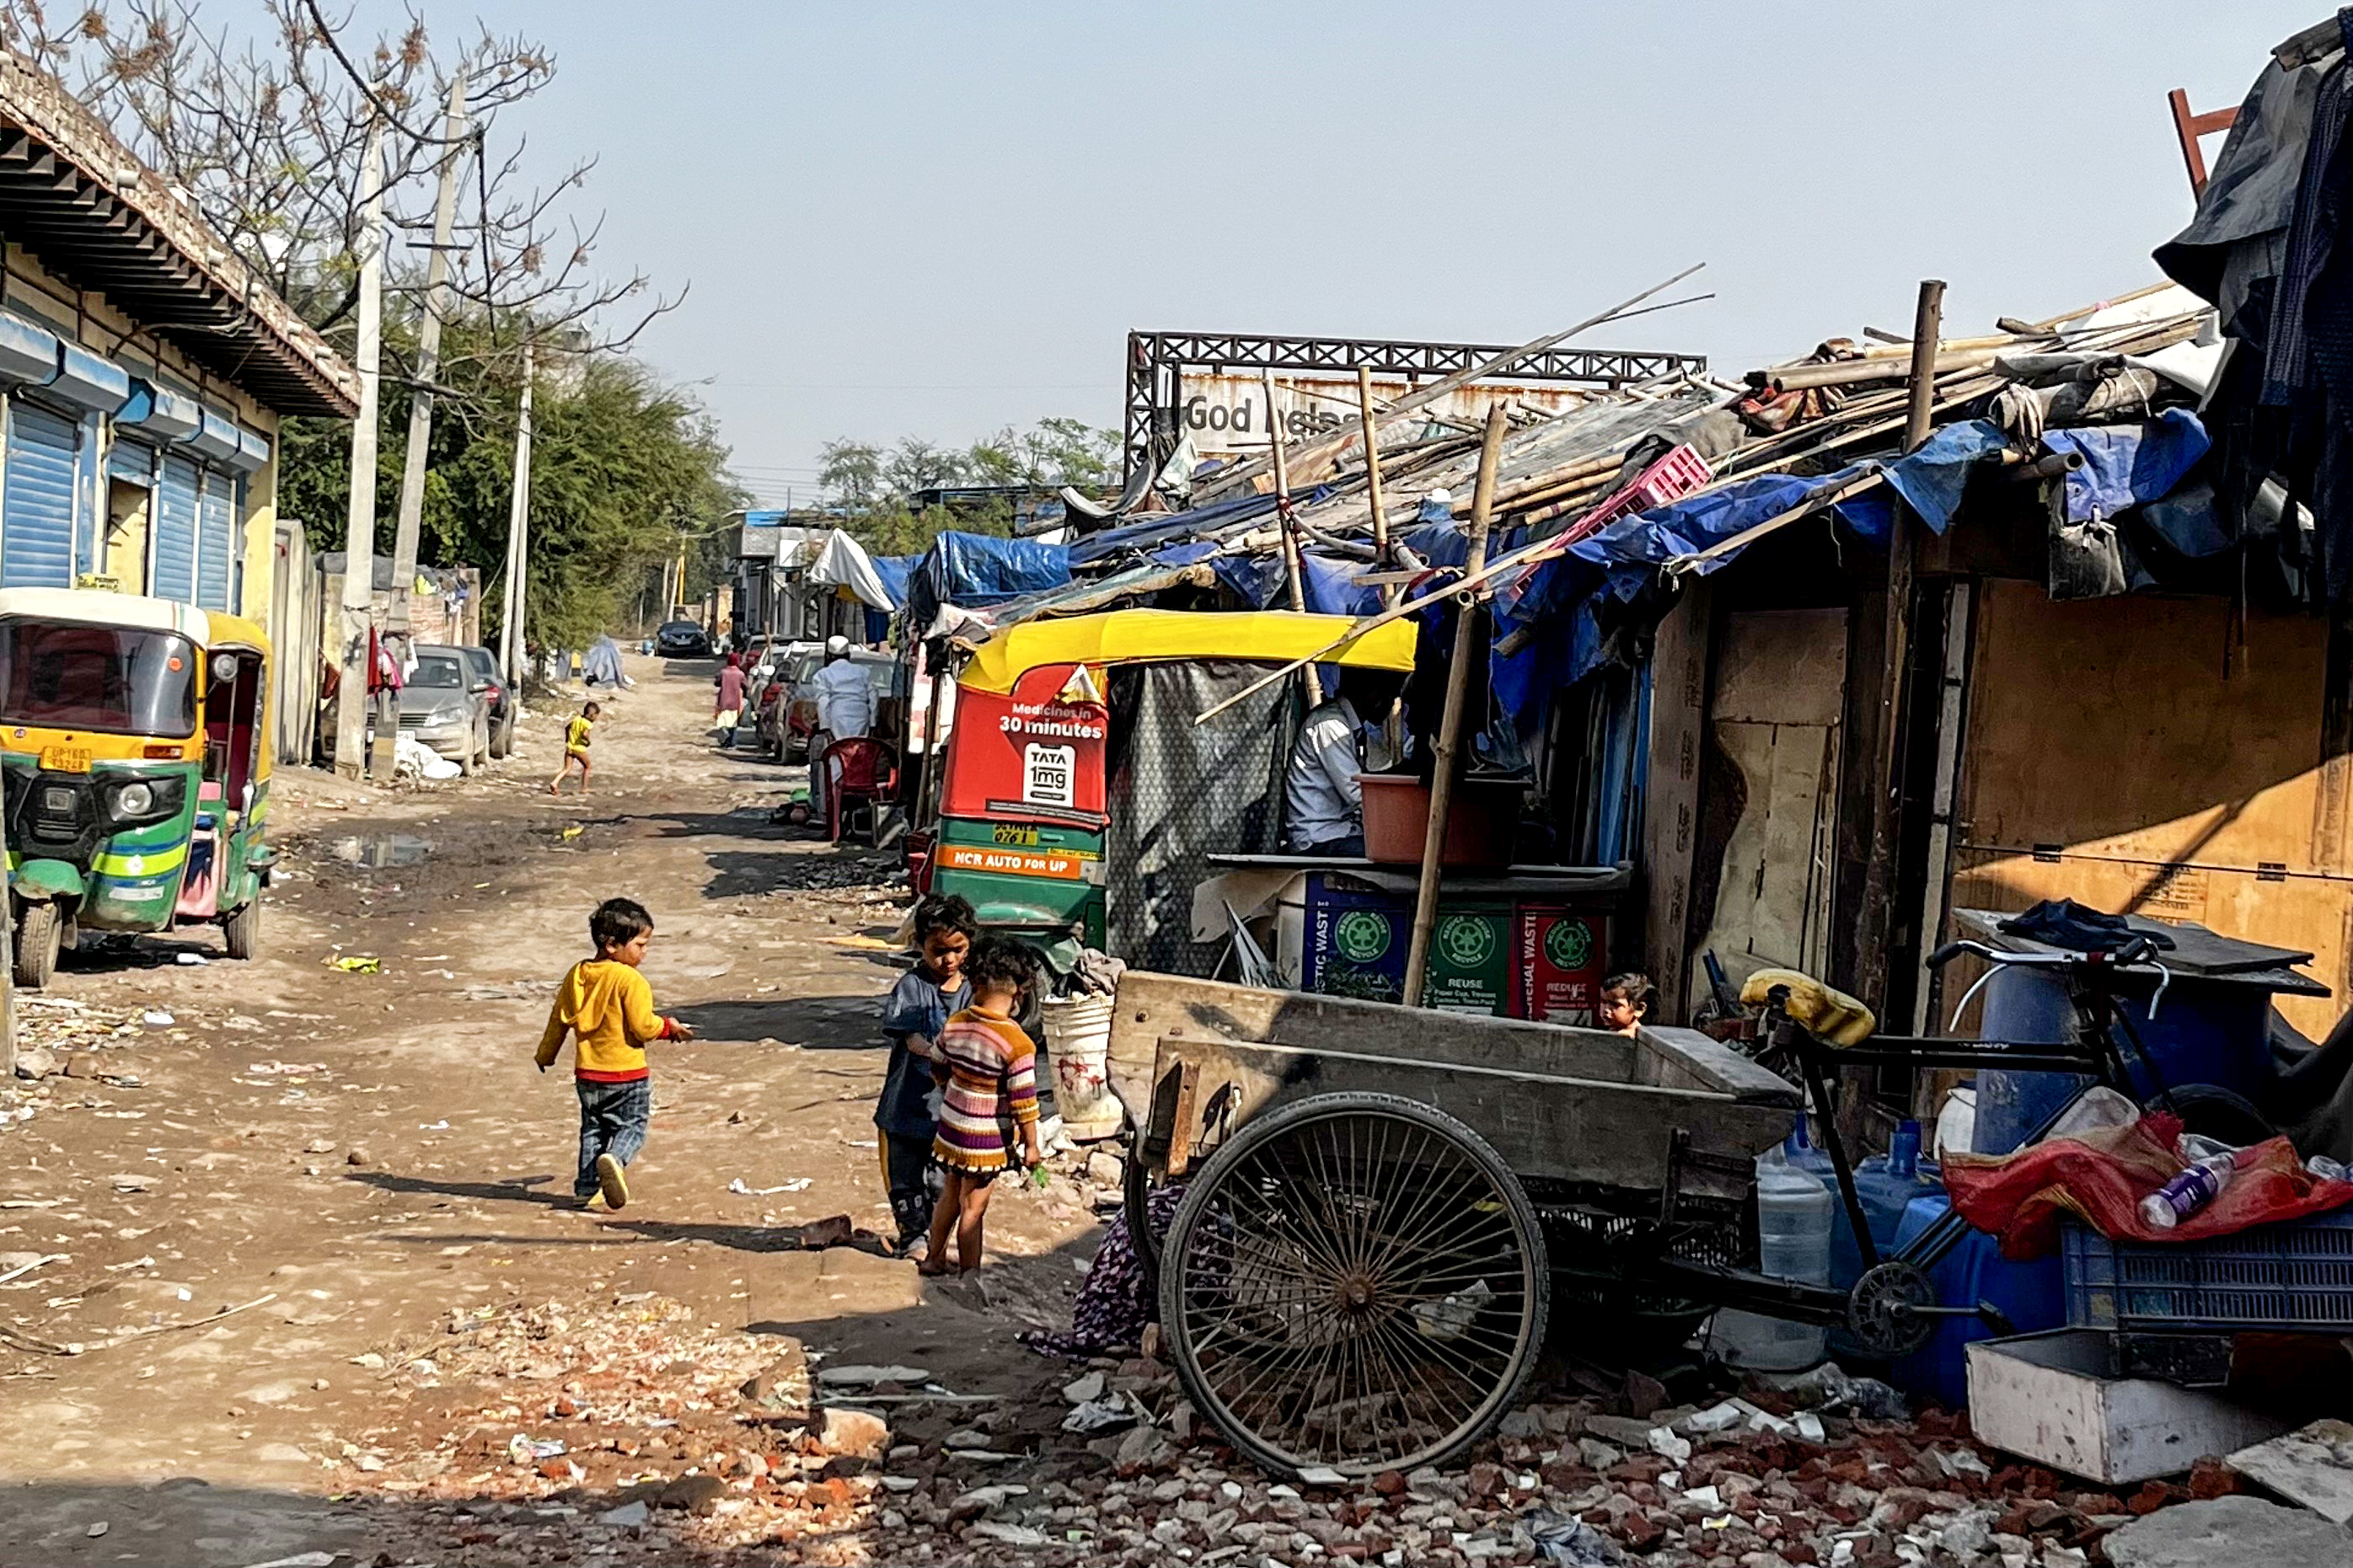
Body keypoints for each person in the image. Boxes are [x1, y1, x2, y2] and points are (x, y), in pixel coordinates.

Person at [534, 897, 694, 1209]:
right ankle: (616, 1159)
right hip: (627, 1074)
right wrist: (669, 1027)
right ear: (611, 945)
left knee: (593, 1129)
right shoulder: (630, 980)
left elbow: (559, 1019)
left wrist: (546, 1054)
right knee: (631, 1126)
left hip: (588, 1075)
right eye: (640, 944)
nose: (644, 953)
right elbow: (643, 1027)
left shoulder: (578, 975)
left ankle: (585, 1186)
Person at [920, 936, 1045, 1276]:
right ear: (1020, 992)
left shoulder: (957, 1022)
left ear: (975, 983)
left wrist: (953, 1090)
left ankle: (933, 1259)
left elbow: (937, 1064)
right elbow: (1024, 1103)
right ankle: (970, 1274)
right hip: (984, 1141)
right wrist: (1032, 1145)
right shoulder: (1018, 1043)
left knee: (949, 1195)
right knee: (973, 1207)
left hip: (951, 1130)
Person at [876, 893, 976, 1255]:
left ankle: (934, 1242)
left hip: (950, 1114)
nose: (948, 959)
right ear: (919, 945)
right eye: (938, 951)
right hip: (904, 1107)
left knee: (941, 1182)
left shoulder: (973, 991)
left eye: (957, 949)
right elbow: (913, 1039)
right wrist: (940, 1052)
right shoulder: (911, 987)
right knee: (904, 1180)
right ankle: (912, 1238)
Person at [1284, 669, 1402, 857]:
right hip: (1320, 838)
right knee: (1396, 853)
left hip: (1342, 832)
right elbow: (1356, 792)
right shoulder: (1330, 724)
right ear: (1370, 693)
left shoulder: (1347, 726)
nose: (1389, 705)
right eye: (1387, 696)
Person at [809, 634, 876, 823]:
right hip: (861, 715)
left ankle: (835, 811)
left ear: (828, 656)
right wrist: (872, 723)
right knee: (858, 754)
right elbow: (874, 697)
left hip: (837, 718)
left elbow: (823, 702)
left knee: (837, 759)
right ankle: (853, 802)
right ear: (848, 655)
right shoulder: (862, 672)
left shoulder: (823, 675)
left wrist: (826, 728)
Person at [549, 700, 599, 795]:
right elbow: (585, 734)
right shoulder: (588, 724)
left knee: (567, 768)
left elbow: (567, 728)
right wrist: (587, 742)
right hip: (579, 749)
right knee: (587, 766)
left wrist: (568, 739)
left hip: (570, 747)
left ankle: (555, 782)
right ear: (592, 715)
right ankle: (584, 788)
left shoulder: (577, 719)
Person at [1597, 972, 1654, 1036]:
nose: (1606, 1009)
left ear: (1639, 1009)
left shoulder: (1642, 1039)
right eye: (1603, 1002)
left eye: (1615, 1005)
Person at [714, 653, 747, 747]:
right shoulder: (740, 674)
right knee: (733, 722)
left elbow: (717, 683)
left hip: (724, 699)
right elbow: (746, 686)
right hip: (736, 700)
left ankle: (727, 739)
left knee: (723, 721)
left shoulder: (723, 672)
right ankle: (731, 742)